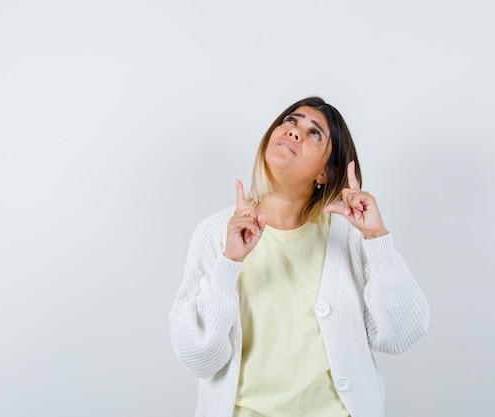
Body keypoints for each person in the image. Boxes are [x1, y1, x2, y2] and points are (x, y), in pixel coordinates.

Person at [169, 96, 429, 417]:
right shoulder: (215, 234)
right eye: (291, 121)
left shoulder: (348, 234)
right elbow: (199, 358)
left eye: (314, 132)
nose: (294, 132)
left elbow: (401, 335)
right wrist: (229, 263)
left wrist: (376, 238)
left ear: (324, 173)